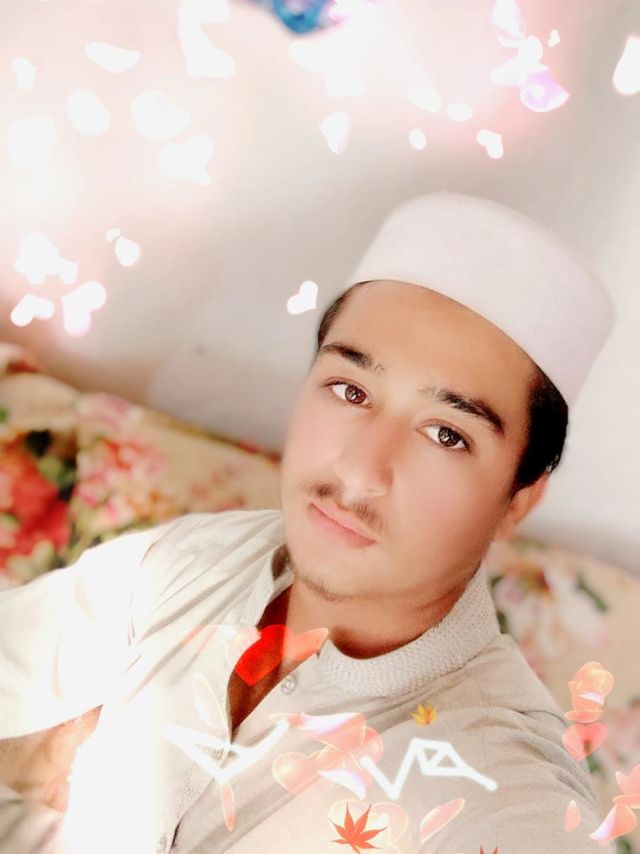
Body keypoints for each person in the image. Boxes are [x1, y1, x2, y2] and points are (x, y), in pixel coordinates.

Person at [0, 191, 617, 853]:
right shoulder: (195, 562)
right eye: (352, 391)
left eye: (446, 434)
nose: (360, 469)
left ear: (519, 498)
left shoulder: (501, 791)